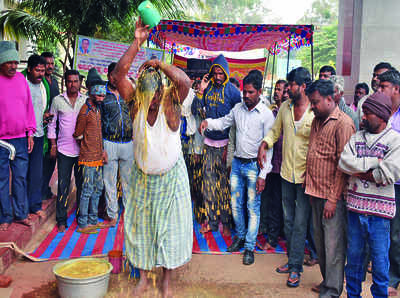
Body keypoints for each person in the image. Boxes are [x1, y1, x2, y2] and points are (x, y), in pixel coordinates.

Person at [111, 18, 192, 297]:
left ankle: (166, 283)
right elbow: (118, 76)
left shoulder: (171, 102)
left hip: (171, 177)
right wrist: (137, 42)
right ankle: (144, 278)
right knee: (142, 229)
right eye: (146, 95)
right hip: (143, 178)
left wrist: (159, 64)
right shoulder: (135, 104)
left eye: (154, 94)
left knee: (169, 231)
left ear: (160, 89)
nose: (151, 100)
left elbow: (185, 81)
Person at [200, 72, 274, 265]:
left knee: (252, 208)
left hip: (254, 167)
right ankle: (240, 237)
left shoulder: (266, 115)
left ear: (259, 91)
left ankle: (249, 246)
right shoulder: (237, 109)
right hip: (237, 164)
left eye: (250, 92)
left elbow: (269, 149)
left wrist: (263, 175)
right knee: (235, 205)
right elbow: (223, 122)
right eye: (244, 92)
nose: (246, 96)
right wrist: (208, 122)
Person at [339, 91, 400, 298]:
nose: (362, 117)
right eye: (363, 112)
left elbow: (389, 174)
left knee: (381, 267)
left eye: (367, 114)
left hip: (380, 216)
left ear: (381, 116)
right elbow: (343, 163)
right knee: (353, 264)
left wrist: (358, 169)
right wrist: (375, 163)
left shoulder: (395, 140)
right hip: (355, 211)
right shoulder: (357, 137)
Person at [258, 67, 314, 287]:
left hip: (305, 177)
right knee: (289, 221)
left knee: (300, 223)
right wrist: (264, 144)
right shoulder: (284, 107)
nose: (288, 89)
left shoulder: (314, 110)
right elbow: (275, 131)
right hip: (286, 175)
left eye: (292, 85)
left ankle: (296, 268)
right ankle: (292, 261)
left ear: (303, 86)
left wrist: (313, 172)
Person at [305, 80, 355, 297]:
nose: (312, 106)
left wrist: (333, 199)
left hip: (331, 197)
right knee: (320, 243)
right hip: (315, 193)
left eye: (315, 102)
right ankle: (327, 282)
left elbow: (343, 166)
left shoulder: (343, 124)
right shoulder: (318, 119)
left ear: (330, 99)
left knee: (333, 247)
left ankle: (333, 290)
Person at [191, 54, 241, 235]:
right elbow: (196, 110)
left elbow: (237, 121)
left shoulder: (233, 92)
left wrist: (231, 146)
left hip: (226, 146)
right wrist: (201, 91)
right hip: (208, 145)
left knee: (224, 185)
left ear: (226, 73)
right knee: (208, 184)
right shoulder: (208, 89)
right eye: (215, 73)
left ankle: (226, 222)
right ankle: (212, 222)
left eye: (221, 73)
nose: (218, 77)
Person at [0, 41, 36, 231]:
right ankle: (4, 217)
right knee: (2, 179)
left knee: (21, 177)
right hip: (1, 141)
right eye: (10, 62)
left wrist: (30, 132)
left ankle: (21, 213)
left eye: (16, 62)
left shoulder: (21, 80)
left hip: (21, 138)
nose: (14, 66)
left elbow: (28, 107)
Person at [48, 69, 86, 232]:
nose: (73, 84)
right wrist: (53, 145)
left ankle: (80, 216)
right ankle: (61, 219)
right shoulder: (58, 100)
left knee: (81, 185)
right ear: (65, 82)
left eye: (75, 81)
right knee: (63, 186)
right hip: (63, 150)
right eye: (69, 81)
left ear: (80, 83)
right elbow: (51, 123)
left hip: (82, 151)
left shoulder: (86, 101)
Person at [100, 62, 134, 226]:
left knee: (128, 182)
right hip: (109, 143)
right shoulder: (102, 94)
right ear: (108, 76)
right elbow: (97, 122)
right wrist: (101, 148)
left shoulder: (128, 93)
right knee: (109, 181)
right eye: (114, 75)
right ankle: (112, 215)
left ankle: (129, 213)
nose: (116, 79)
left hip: (128, 143)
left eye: (119, 75)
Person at [73, 69, 106, 234]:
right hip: (87, 158)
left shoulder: (98, 110)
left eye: (103, 96)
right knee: (87, 190)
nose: (101, 99)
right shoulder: (85, 112)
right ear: (92, 95)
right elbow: (77, 134)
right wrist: (87, 148)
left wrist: (100, 151)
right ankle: (83, 223)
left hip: (98, 158)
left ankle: (93, 220)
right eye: (98, 96)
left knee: (98, 188)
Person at [377, 69, 400, 296]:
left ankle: (393, 278)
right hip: (378, 180)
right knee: (382, 230)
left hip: (398, 182)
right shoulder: (381, 112)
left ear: (396, 89)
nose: (379, 90)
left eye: (383, 87)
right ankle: (382, 272)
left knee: (396, 232)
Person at [259, 79, 287, 248]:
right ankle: (271, 234)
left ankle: (274, 237)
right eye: (276, 89)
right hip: (271, 165)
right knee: (270, 202)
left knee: (279, 203)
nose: (277, 92)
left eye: (281, 90)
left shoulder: (289, 113)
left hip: (284, 165)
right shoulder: (272, 112)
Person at [22, 54, 50, 218]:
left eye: (43, 70)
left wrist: (45, 115)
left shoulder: (43, 85)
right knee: (21, 173)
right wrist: (27, 133)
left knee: (36, 173)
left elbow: (42, 107)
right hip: (23, 135)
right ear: (29, 69)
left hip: (39, 135)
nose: (41, 74)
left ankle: (34, 205)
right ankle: (22, 208)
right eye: (37, 71)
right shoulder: (21, 83)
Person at [40, 52, 60, 201]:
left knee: (51, 160)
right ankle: (38, 190)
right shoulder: (39, 83)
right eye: (47, 63)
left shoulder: (54, 82)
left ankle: (45, 188)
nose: (50, 66)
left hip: (54, 126)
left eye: (52, 63)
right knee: (41, 161)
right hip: (42, 126)